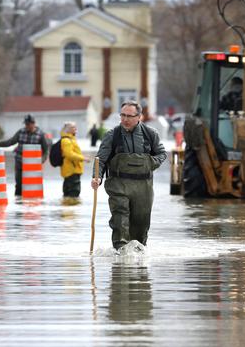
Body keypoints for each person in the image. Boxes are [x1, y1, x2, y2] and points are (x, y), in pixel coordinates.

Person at [91, 100, 167, 250]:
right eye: (123, 115)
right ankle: (120, 253)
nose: (125, 119)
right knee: (120, 221)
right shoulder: (112, 135)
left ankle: (138, 256)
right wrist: (97, 177)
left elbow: (162, 153)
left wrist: (151, 163)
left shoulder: (150, 134)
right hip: (118, 185)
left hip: (143, 187)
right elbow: (100, 159)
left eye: (130, 116)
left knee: (141, 223)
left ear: (139, 117)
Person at [0, 114, 48, 196]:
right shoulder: (21, 132)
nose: (26, 126)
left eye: (28, 124)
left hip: (33, 166)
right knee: (19, 185)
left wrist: (41, 161)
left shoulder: (40, 135)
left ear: (33, 123)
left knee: (32, 186)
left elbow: (45, 151)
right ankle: (18, 203)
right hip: (19, 161)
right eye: (25, 124)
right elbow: (10, 142)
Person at [60, 121, 88, 198]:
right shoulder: (66, 140)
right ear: (67, 129)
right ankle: (70, 208)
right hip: (71, 171)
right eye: (73, 127)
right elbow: (69, 154)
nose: (75, 128)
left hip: (73, 170)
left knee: (70, 194)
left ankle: (69, 208)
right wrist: (83, 158)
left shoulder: (71, 139)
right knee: (74, 193)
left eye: (75, 127)